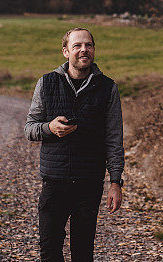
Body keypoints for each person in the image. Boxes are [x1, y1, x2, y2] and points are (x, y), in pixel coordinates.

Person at [24, 27, 124, 262]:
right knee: (49, 251)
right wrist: (50, 128)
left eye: (88, 45)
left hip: (89, 183)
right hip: (54, 181)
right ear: (65, 52)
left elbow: (114, 138)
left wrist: (115, 182)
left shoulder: (108, 87)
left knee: (82, 253)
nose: (84, 50)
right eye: (77, 45)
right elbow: (29, 129)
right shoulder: (47, 83)